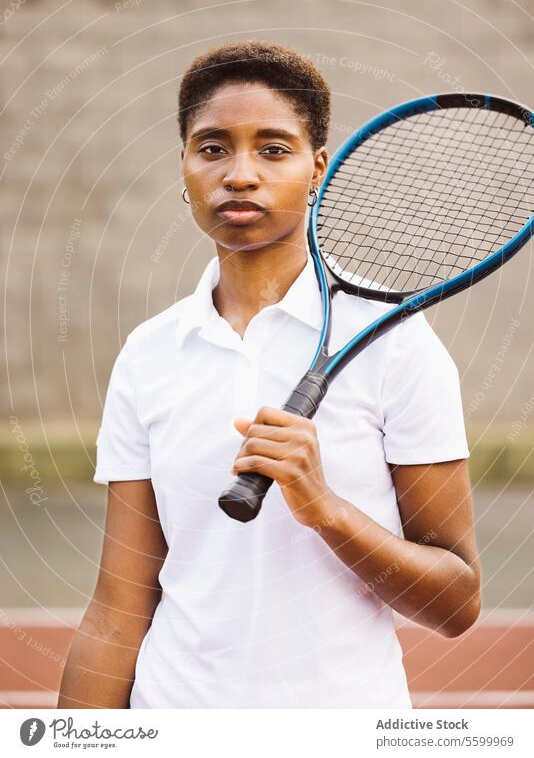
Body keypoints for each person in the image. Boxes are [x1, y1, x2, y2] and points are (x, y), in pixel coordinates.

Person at [58, 39, 480, 710]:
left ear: (318, 170)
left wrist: (327, 509)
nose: (240, 173)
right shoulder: (149, 352)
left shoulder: (397, 344)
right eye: (214, 147)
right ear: (185, 167)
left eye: (273, 148)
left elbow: (456, 601)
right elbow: (117, 606)